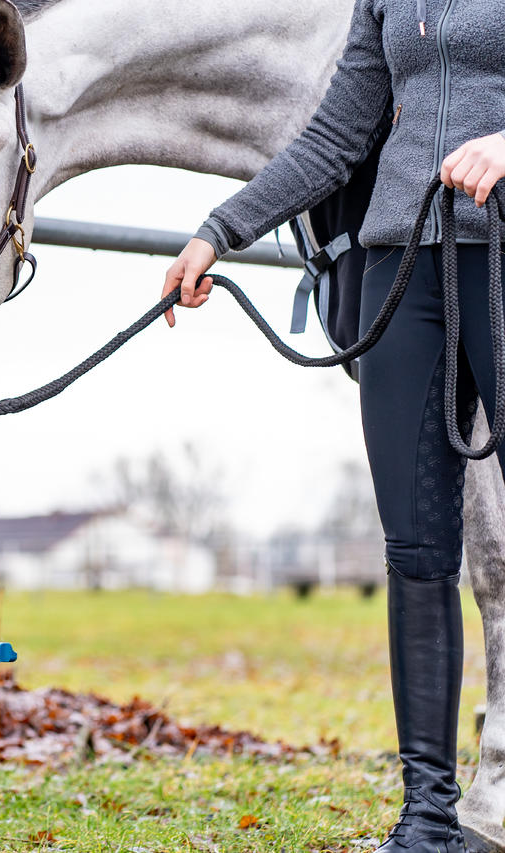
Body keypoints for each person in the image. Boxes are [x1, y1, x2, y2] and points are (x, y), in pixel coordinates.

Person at [161, 3, 505, 851]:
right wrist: (221, 231)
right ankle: (430, 814)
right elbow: (337, 134)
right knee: (417, 548)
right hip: (403, 262)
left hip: (501, 250)